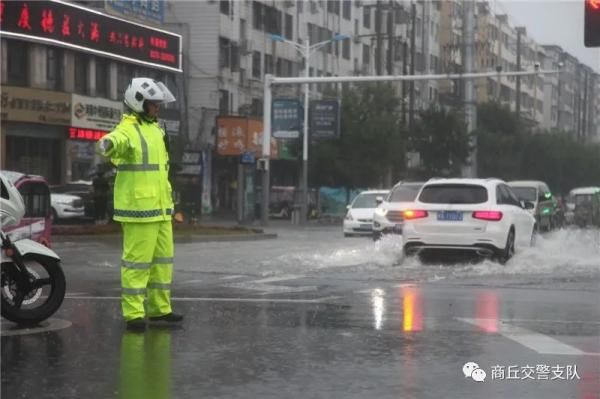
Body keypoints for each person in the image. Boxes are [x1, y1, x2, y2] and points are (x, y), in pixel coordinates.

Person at [97, 78, 182, 331]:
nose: (158, 108)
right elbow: (114, 141)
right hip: (139, 209)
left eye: (158, 104)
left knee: (162, 262)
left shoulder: (156, 128)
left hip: (161, 207)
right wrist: (108, 144)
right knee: (137, 263)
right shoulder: (128, 127)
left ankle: (159, 310)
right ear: (139, 103)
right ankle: (134, 313)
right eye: (154, 104)